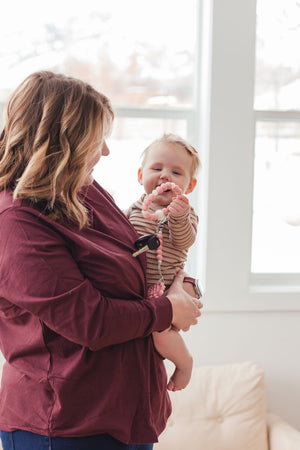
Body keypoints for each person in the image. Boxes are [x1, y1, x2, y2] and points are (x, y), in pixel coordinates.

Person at [0, 71, 202, 450]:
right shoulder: (16, 221)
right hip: (65, 424)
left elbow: (137, 263)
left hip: (126, 415)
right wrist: (168, 309)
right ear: (63, 141)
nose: (106, 151)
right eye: (97, 138)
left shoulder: (84, 190)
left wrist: (179, 287)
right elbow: (89, 320)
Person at [126, 134, 201, 392]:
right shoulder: (133, 210)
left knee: (161, 332)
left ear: (189, 185)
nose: (165, 176)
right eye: (156, 168)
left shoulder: (184, 213)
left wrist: (179, 217)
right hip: (142, 289)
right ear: (140, 175)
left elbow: (185, 242)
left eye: (176, 172)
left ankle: (184, 363)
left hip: (170, 284)